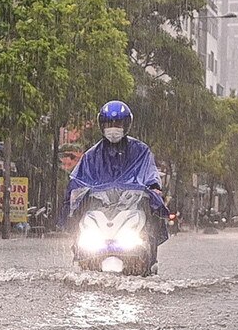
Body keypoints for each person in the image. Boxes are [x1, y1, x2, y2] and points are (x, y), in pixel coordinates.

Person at [67, 101, 167, 239]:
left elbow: (150, 173)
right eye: (109, 124)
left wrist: (153, 187)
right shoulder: (91, 155)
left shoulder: (140, 151)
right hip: (97, 213)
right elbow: (78, 180)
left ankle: (148, 253)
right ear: (102, 125)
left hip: (132, 210)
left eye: (118, 124)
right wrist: (75, 192)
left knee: (147, 235)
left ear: (126, 125)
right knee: (82, 242)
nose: (113, 129)